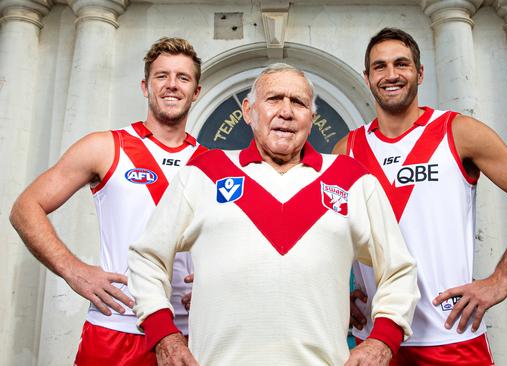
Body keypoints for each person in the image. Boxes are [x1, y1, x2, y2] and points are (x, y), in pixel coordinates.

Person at [127, 63, 420, 366]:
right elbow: (147, 257)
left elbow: (399, 270)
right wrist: (164, 335)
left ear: (311, 117)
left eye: (299, 102)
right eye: (274, 99)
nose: (286, 111)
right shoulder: (205, 173)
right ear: (248, 110)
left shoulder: (352, 179)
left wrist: (382, 341)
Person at [333, 28, 507, 365]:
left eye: (402, 64)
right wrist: (343, 287)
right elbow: (336, 230)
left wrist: (500, 281)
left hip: (451, 336)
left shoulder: (458, 132)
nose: (391, 74)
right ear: (367, 78)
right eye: (380, 67)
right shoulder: (348, 149)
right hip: (376, 339)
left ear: (420, 73)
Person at [9, 37, 207, 365]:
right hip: (117, 327)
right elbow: (25, 207)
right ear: (145, 86)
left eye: (183, 78)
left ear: (196, 91)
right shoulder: (104, 146)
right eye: (162, 76)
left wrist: (216, 277)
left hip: (188, 332)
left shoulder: (212, 163)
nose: (172, 85)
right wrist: (74, 271)